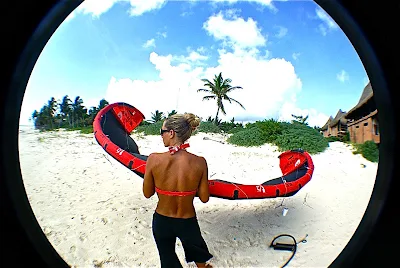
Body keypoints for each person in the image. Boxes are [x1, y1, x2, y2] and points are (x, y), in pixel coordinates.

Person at [143, 113, 213, 268]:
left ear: (171, 133)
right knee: (197, 250)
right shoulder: (200, 162)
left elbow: (147, 193)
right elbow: (204, 198)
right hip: (187, 220)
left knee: (168, 259)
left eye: (162, 132)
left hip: (162, 220)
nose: (161, 136)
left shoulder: (153, 159)